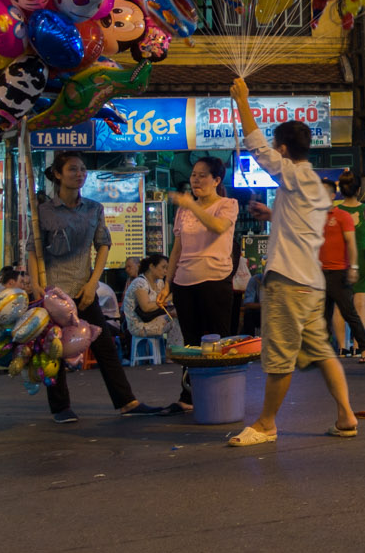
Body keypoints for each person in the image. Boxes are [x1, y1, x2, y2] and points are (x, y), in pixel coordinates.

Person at [224, 78, 360, 444]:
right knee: (320, 349)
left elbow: (256, 147)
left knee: (279, 354)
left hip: (288, 280)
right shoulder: (312, 183)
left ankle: (267, 423)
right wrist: (273, 215)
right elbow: (303, 224)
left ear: (283, 148)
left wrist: (242, 101)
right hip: (310, 282)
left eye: (277, 148)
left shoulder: (293, 173)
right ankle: (346, 415)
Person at [36, 151, 167, 423]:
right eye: (73, 169)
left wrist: (92, 283)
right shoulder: (43, 211)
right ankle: (60, 407)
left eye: (83, 169)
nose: (80, 174)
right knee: (54, 349)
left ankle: (126, 401)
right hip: (52, 294)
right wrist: (38, 287)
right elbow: (33, 250)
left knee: (105, 347)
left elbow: (103, 245)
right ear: (58, 174)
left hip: (84, 290)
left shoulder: (94, 208)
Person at [166, 155, 240, 413]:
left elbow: (218, 227)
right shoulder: (183, 210)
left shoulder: (227, 204)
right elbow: (177, 249)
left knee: (215, 343)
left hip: (215, 281)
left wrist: (191, 205)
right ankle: (188, 397)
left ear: (216, 180)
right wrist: (168, 283)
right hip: (184, 282)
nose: (195, 179)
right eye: (193, 174)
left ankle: (219, 397)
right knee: (191, 344)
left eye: (202, 175)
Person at [321, 188, 365, 361]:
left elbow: (351, 243)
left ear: (333, 195)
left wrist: (353, 267)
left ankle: (364, 349)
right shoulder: (314, 217)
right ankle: (326, 354)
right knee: (322, 316)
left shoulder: (342, 216)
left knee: (349, 312)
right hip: (319, 273)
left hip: (339, 272)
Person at [332, 170, 365, 324]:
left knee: (339, 306)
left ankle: (343, 347)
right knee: (361, 306)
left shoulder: (335, 212)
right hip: (363, 259)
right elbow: (364, 235)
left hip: (341, 260)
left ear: (341, 191)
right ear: (358, 190)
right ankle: (360, 346)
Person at [122, 253, 183, 349]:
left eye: (167, 268)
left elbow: (161, 306)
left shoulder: (159, 283)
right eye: (163, 267)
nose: (165, 271)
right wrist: (167, 299)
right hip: (139, 324)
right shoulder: (140, 283)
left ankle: (173, 352)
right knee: (176, 322)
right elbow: (146, 307)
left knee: (179, 316)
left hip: (152, 318)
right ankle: (172, 354)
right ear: (151, 266)